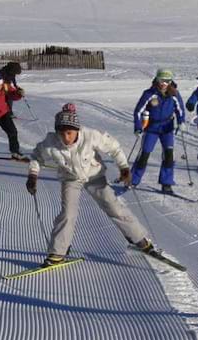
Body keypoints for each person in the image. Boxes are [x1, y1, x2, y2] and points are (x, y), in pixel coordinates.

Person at [25, 104, 154, 266]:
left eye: (69, 133)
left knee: (113, 206)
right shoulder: (51, 142)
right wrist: (32, 175)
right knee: (68, 214)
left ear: (77, 130)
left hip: (94, 175)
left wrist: (124, 168)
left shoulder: (90, 136)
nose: (66, 137)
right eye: (62, 133)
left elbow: (114, 148)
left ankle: (139, 239)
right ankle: (57, 252)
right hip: (70, 178)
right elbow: (37, 156)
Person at [131, 69, 185, 194]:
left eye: (167, 81)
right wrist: (138, 127)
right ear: (157, 79)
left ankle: (166, 183)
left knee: (169, 155)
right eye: (161, 80)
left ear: (170, 82)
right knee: (144, 155)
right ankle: (133, 180)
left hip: (167, 128)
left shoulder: (174, 94)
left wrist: (181, 121)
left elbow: (180, 109)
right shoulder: (149, 93)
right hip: (151, 129)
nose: (164, 84)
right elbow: (138, 111)